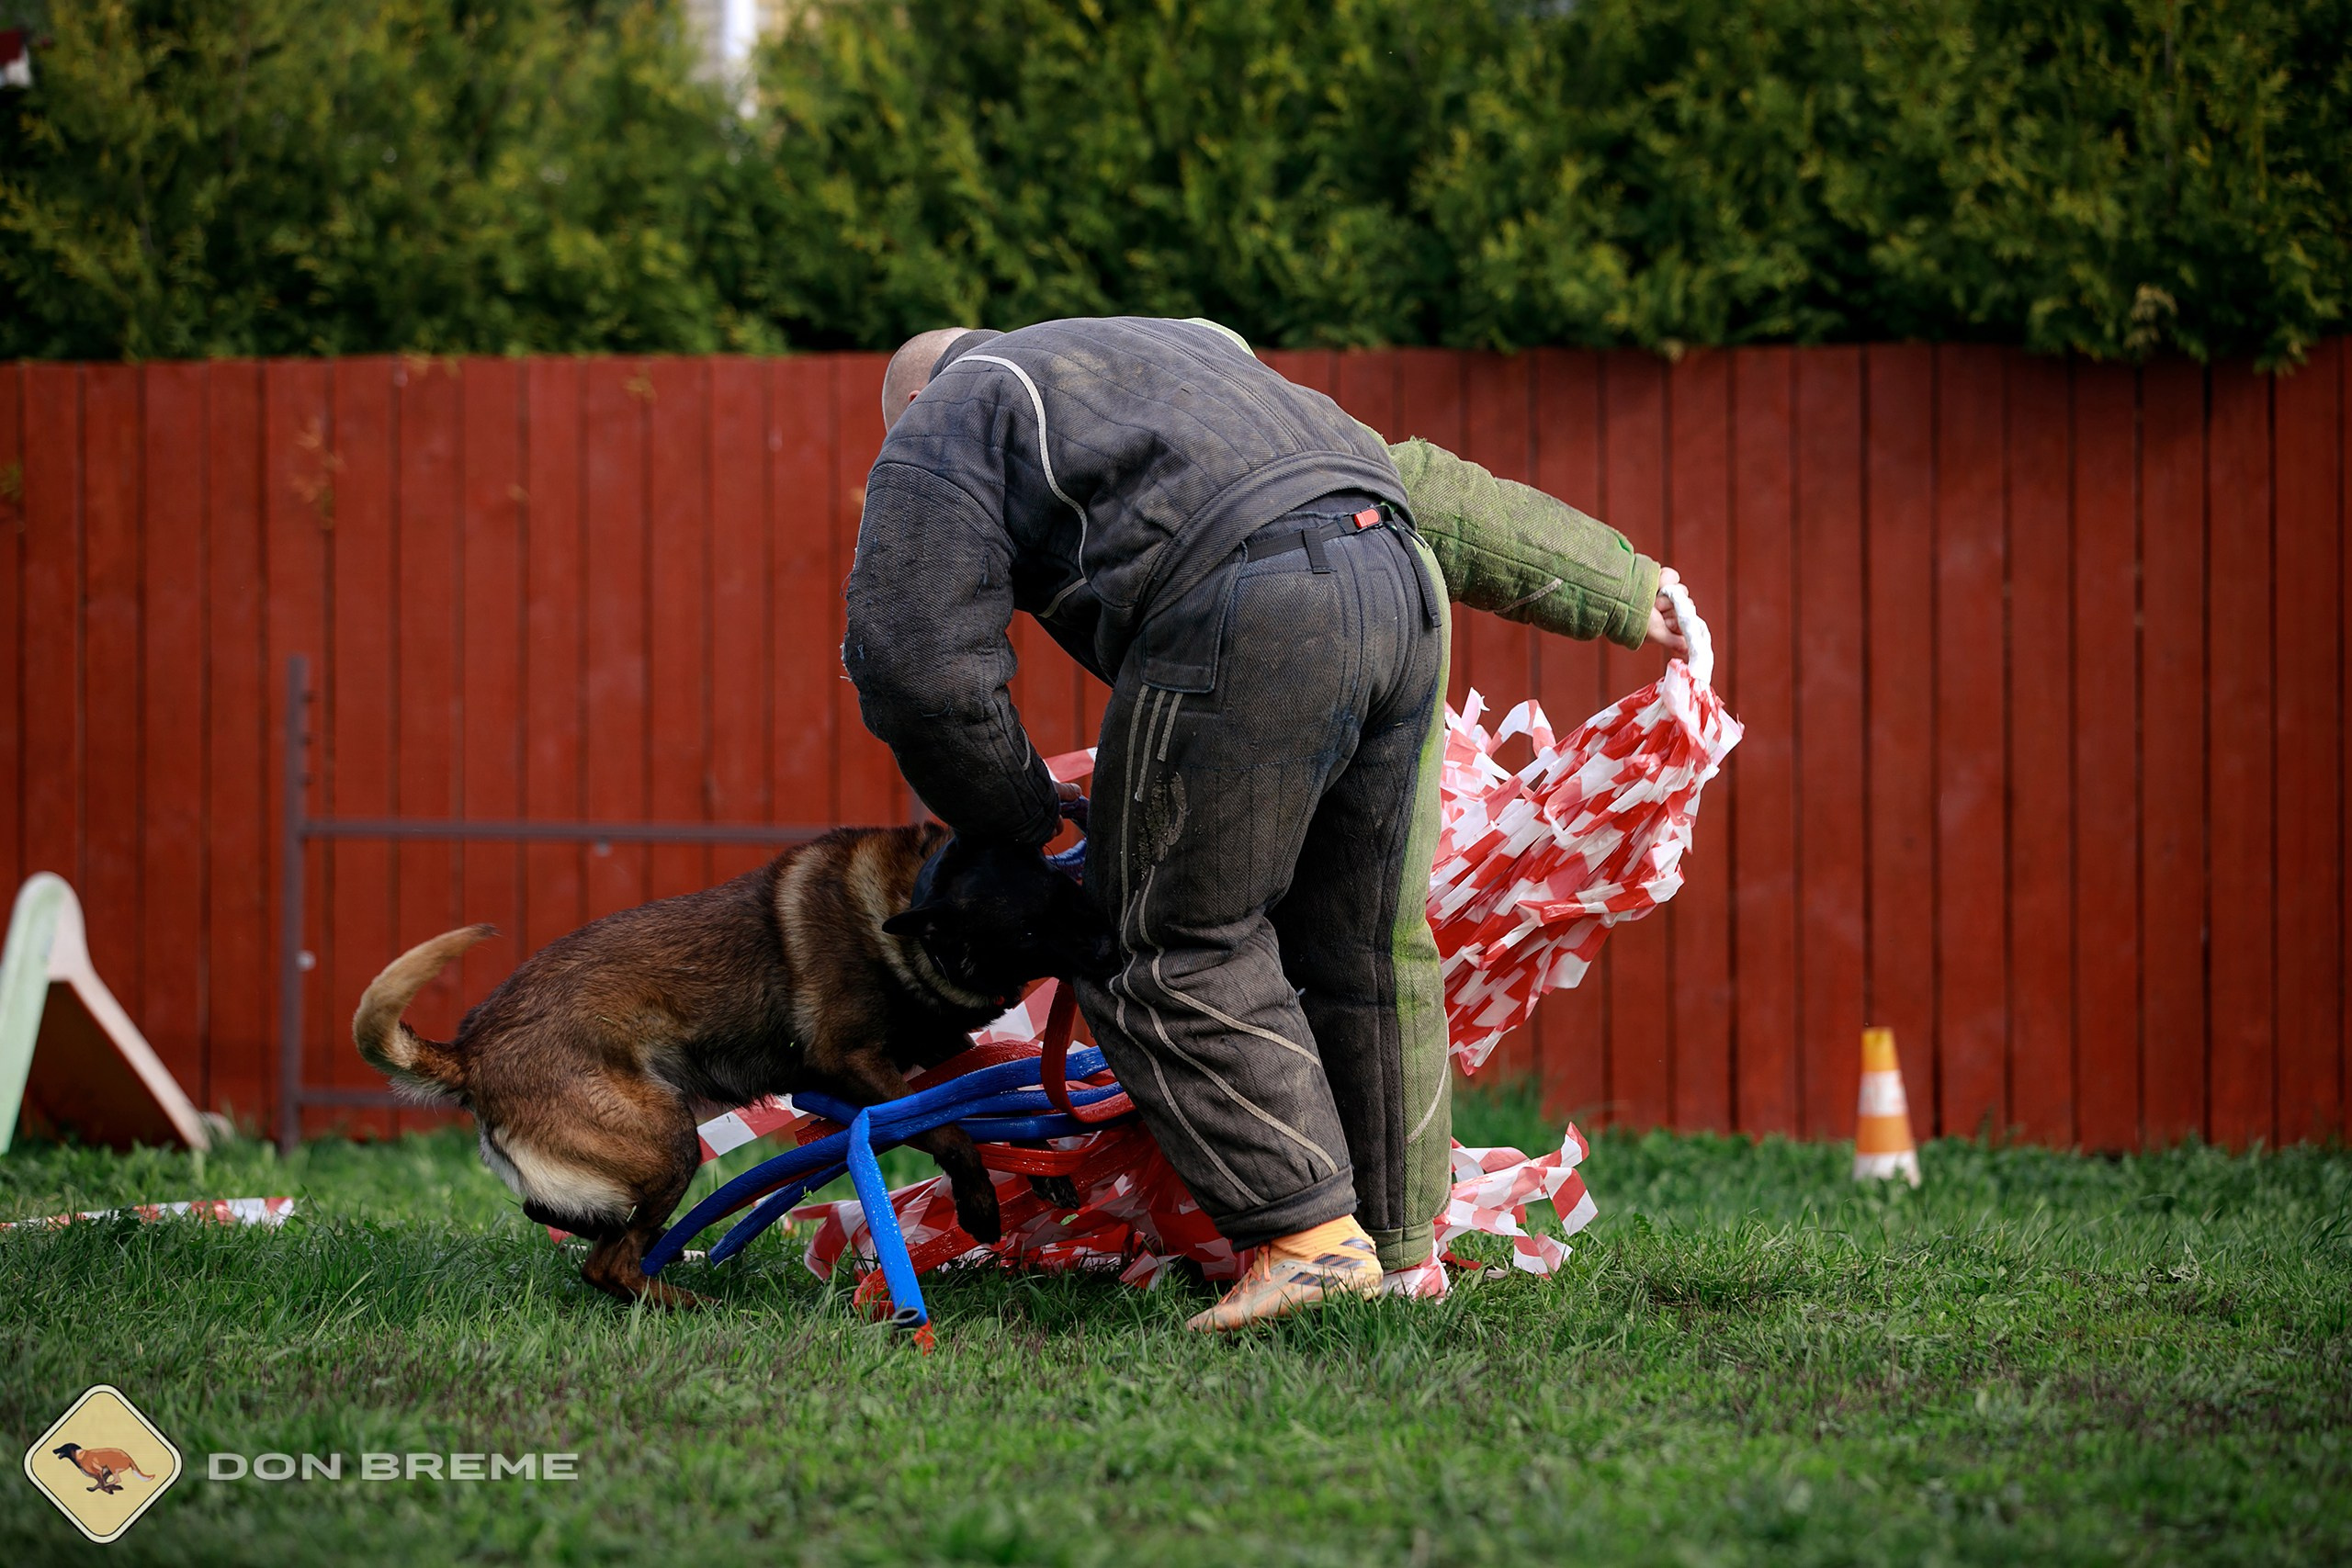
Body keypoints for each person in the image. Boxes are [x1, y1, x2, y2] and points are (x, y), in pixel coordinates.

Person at [844, 318, 1681, 1331]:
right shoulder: (1169, 356)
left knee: (1155, 937)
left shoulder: (946, 417)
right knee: (1366, 946)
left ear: (916, 404)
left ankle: (1309, 1245)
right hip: (1398, 586)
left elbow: (916, 669)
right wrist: (1620, 585)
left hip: (1247, 608)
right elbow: (1409, 477)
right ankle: (1398, 1252)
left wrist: (1013, 815)